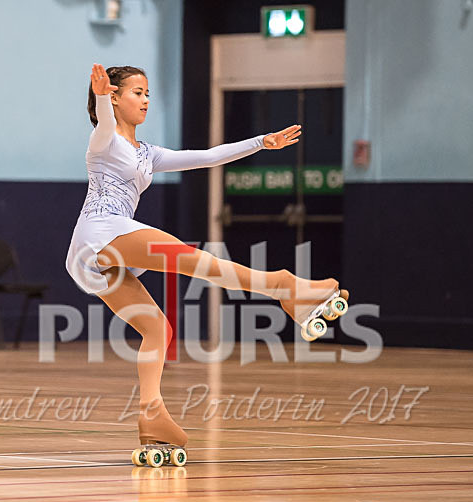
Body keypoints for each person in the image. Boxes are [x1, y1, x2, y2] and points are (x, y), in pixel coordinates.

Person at [66, 63, 348, 456]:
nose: (146, 100)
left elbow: (206, 156)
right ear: (114, 98)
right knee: (194, 260)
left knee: (157, 330)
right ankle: (285, 287)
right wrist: (99, 97)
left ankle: (152, 415)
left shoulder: (146, 153)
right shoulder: (104, 141)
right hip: (101, 232)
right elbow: (101, 127)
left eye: (148, 93)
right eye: (137, 93)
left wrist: (260, 142)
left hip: (98, 253)